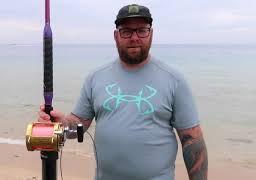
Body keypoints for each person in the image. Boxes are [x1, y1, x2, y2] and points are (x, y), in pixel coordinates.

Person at [38, 4, 208, 180]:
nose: (134, 37)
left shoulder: (174, 80)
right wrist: (62, 123)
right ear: (116, 36)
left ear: (151, 34)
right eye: (126, 31)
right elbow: (78, 125)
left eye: (142, 30)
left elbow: (192, 141)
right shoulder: (95, 78)